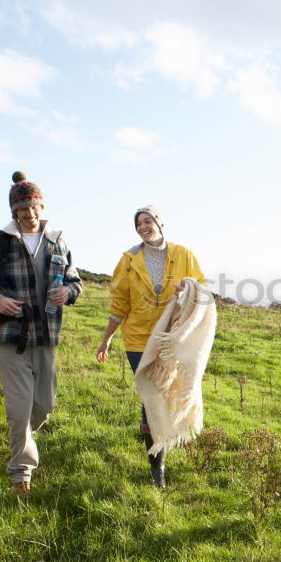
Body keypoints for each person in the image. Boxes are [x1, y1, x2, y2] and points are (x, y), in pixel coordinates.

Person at [0, 171, 82, 496]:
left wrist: (68, 293)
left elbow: (75, 279)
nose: (30, 215)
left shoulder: (59, 241)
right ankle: (21, 475)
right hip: (10, 338)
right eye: (23, 210)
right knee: (18, 409)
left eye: (35, 208)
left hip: (46, 337)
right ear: (14, 212)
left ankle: (21, 439)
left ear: (42, 207)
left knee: (43, 406)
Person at [96, 205, 204, 487]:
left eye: (148, 220)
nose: (143, 226)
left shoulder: (183, 255)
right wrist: (107, 338)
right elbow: (119, 302)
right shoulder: (129, 260)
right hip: (139, 339)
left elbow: (201, 288)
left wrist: (189, 288)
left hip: (172, 337)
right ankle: (158, 468)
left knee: (168, 396)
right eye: (138, 223)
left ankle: (165, 441)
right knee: (151, 398)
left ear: (160, 223)